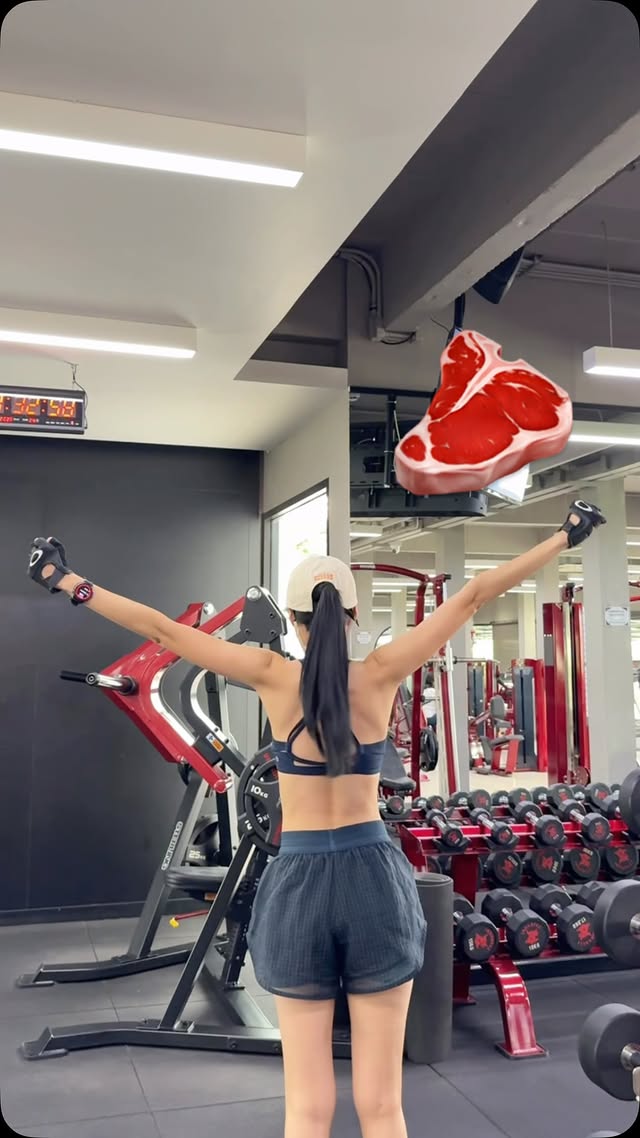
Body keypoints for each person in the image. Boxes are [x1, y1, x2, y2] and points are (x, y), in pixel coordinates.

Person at [26, 499, 605, 1138]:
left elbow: (163, 632)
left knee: (306, 1109)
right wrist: (564, 535)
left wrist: (68, 581)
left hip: (299, 880)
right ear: (352, 618)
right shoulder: (382, 672)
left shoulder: (271, 675)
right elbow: (472, 596)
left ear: (296, 623)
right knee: (382, 1106)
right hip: (374, 881)